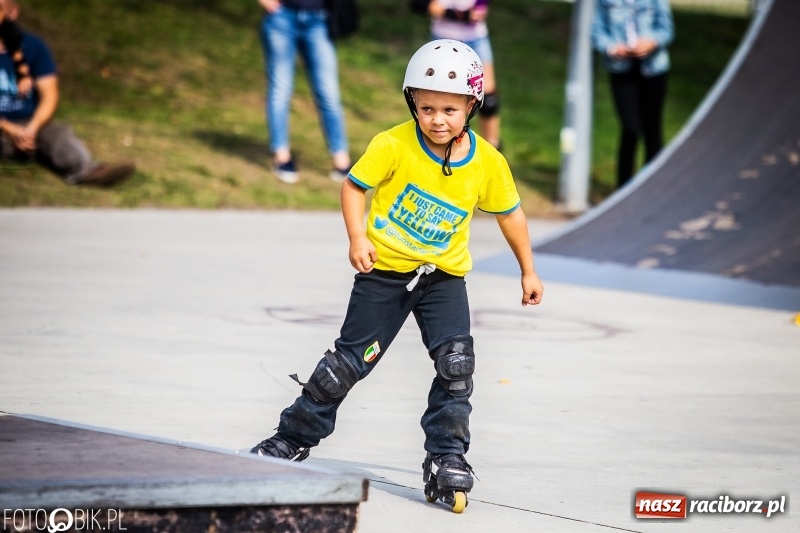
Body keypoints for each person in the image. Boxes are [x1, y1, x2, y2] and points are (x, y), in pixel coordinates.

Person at [250, 39, 544, 511]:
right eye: (426, 107)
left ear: (471, 105)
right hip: (384, 273)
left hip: (443, 279)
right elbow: (353, 187)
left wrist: (528, 269)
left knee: (456, 367)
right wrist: (356, 238)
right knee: (343, 368)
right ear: (412, 102)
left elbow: (511, 214)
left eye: (449, 109)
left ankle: (447, 457)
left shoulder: (488, 162)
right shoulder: (392, 143)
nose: (437, 119)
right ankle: (290, 438)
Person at [0, 0, 135, 186]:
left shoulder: (32, 46)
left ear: (12, 13)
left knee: (58, 134)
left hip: (28, 123)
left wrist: (32, 128)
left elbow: (50, 95)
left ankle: (87, 171)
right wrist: (8, 128)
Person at [258, 0, 351, 184]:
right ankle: (281, 157)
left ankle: (342, 163)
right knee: (280, 90)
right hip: (282, 16)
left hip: (319, 19)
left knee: (329, 94)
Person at [591, 0, 674, 188]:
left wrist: (651, 42)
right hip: (622, 68)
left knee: (652, 129)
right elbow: (597, 32)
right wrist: (613, 48)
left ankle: (653, 186)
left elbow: (666, 30)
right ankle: (624, 188)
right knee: (630, 128)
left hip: (653, 68)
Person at [410, 0, 502, 150]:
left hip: (475, 39)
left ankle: (493, 150)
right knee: (435, 96)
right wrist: (458, 15)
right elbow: (418, 5)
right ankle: (432, 147)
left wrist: (480, 9)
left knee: (489, 102)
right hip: (442, 40)